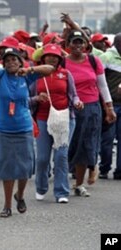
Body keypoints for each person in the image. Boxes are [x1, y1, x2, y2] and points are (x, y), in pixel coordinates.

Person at [0, 47, 54, 217]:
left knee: (25, 167)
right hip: (1, 128)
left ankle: (20, 195)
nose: (10, 63)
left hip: (23, 127)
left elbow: (50, 69)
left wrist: (29, 69)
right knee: (7, 168)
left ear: (20, 62)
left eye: (14, 59)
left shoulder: (27, 75)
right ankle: (7, 205)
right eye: (7, 60)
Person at [64, 30, 116, 197]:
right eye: (74, 42)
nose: (78, 45)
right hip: (69, 109)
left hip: (92, 108)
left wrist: (109, 108)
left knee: (87, 144)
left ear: (85, 44)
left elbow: (103, 86)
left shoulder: (94, 61)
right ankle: (63, 183)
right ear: (68, 45)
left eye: (81, 42)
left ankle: (79, 183)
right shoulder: (62, 63)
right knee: (70, 145)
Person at [32, 44, 83, 203]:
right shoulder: (36, 76)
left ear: (60, 59)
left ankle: (61, 192)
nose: (52, 58)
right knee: (42, 158)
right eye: (49, 56)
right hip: (42, 118)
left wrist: (77, 102)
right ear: (43, 58)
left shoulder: (66, 74)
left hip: (65, 119)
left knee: (61, 156)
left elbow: (74, 95)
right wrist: (36, 98)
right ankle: (41, 187)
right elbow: (26, 98)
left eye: (55, 56)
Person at [98, 33, 121, 180]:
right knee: (107, 139)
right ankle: (104, 167)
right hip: (110, 105)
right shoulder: (106, 57)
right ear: (117, 43)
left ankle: (119, 171)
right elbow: (99, 81)